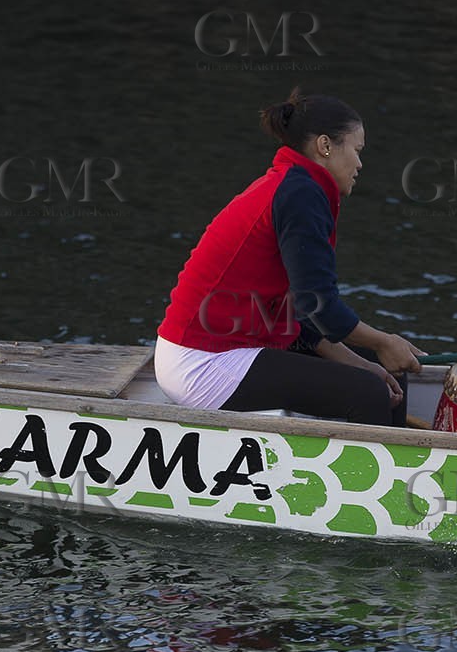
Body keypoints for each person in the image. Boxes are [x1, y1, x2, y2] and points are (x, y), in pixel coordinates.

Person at [156, 88, 425, 426]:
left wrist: (370, 358)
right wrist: (386, 341)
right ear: (325, 146)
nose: (359, 164)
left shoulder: (297, 185)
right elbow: (320, 307)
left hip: (232, 343)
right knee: (369, 391)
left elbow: (301, 316)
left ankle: (402, 454)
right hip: (201, 361)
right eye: (356, 151)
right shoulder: (300, 194)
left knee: (386, 372)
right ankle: (380, 476)